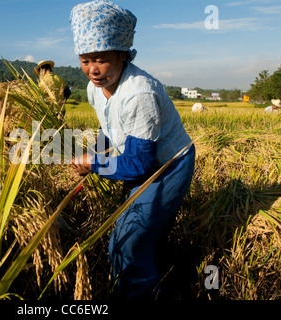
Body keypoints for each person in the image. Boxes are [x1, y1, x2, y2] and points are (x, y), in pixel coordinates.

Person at [69, 0, 196, 300]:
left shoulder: (139, 93)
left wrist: (96, 165)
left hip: (169, 165)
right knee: (142, 235)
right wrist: (96, 155)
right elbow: (107, 126)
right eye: (85, 60)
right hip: (141, 160)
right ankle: (164, 278)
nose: (93, 70)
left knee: (125, 241)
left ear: (122, 54)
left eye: (101, 59)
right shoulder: (93, 88)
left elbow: (139, 164)